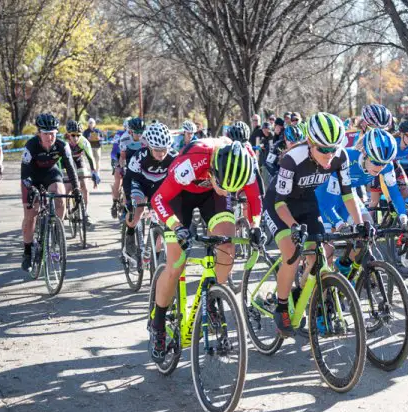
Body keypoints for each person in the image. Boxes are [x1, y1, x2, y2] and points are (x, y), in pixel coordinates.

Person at [149, 138, 260, 361]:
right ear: (213, 170)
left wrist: (255, 225)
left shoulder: (243, 165)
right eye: (227, 185)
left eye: (234, 188)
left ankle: (212, 297)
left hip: (212, 196)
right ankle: (158, 324)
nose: (230, 190)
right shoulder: (192, 164)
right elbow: (158, 199)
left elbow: (255, 199)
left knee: (227, 246)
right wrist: (177, 226)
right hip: (179, 196)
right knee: (176, 265)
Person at [262, 112, 366, 337]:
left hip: (307, 202)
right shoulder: (293, 158)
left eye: (333, 148)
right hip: (279, 205)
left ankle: (300, 293)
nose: (329, 155)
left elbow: (349, 195)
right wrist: (293, 227)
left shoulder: (341, 157)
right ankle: (281, 307)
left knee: (323, 253)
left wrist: (359, 224)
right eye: (323, 149)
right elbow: (280, 202)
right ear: (310, 143)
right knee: (292, 253)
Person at [20, 113, 80, 271]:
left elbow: (71, 169)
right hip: (31, 177)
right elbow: (24, 173)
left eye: (52, 133)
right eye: (45, 133)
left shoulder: (62, 145)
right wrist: (30, 188)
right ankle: (27, 251)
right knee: (30, 215)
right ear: (39, 133)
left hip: (51, 174)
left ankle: (55, 229)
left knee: (60, 196)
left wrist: (77, 188)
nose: (49, 137)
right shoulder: (30, 146)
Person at [122, 122, 177, 257]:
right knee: (137, 209)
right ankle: (129, 234)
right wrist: (129, 201)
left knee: (162, 219)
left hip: (159, 187)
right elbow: (128, 179)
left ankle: (155, 258)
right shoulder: (139, 156)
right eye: (157, 150)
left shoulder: (174, 157)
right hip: (140, 184)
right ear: (149, 146)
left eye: (164, 149)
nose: (161, 154)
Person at [64, 120, 99, 226]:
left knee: (84, 186)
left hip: (79, 161)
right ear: (68, 134)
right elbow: (59, 161)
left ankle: (85, 212)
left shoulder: (84, 142)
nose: (75, 138)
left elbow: (91, 158)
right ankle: (64, 209)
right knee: (66, 187)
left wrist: (94, 173)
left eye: (78, 135)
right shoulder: (63, 142)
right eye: (73, 135)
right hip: (65, 162)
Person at [111, 117, 145, 218]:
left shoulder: (145, 137)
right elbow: (121, 156)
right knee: (121, 177)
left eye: (141, 132)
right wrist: (122, 167)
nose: (139, 135)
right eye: (136, 132)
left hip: (141, 160)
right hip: (124, 157)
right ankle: (118, 202)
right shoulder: (123, 137)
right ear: (129, 131)